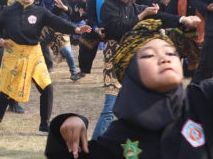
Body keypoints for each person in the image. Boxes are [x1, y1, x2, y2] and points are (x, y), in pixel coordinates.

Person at [44, 19, 213, 159]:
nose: (164, 59)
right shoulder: (120, 136)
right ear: (130, 71)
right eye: (148, 55)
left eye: (170, 53)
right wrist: (68, 122)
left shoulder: (202, 101)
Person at [93, 0, 198, 140]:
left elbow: (162, 17)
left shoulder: (139, 7)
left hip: (140, 65)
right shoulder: (108, 7)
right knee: (111, 106)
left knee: (143, 105)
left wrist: (182, 19)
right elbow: (119, 29)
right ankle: (96, 146)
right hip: (115, 62)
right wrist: (142, 15)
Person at [0, 0, 91, 135]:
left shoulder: (39, 11)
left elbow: (57, 22)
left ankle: (44, 125)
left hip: (35, 54)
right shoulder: (8, 11)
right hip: (14, 55)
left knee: (47, 88)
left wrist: (76, 30)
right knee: (8, 91)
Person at [165, 0, 204, 77]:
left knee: (196, 69)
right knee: (172, 62)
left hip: (198, 36)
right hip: (178, 33)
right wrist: (183, 21)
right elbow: (169, 15)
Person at [76, 0, 112, 80]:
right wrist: (96, 29)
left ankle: (112, 76)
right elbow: (90, 16)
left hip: (112, 26)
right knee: (84, 44)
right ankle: (83, 71)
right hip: (96, 26)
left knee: (113, 50)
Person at [40, 0, 76, 77]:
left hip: (60, 27)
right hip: (46, 28)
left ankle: (74, 71)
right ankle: (47, 67)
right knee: (39, 46)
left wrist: (63, 7)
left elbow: (70, 10)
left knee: (67, 50)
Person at [190, 0, 213, 84]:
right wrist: (207, 7)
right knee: (206, 66)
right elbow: (196, 0)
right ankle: (192, 95)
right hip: (211, 32)